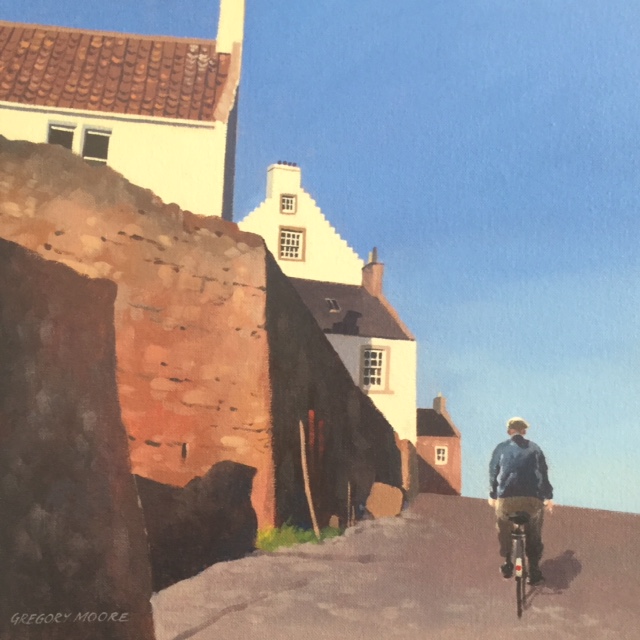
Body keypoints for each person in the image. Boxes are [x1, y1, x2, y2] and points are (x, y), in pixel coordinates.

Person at [488, 417, 553, 585]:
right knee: (534, 530)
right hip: (532, 500)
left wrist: (493, 495)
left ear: (509, 431)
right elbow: (543, 473)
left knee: (503, 525)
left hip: (506, 499)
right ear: (524, 431)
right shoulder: (535, 448)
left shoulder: (500, 448)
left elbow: (493, 472)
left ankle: (507, 561)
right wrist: (548, 496)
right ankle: (534, 570)